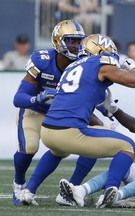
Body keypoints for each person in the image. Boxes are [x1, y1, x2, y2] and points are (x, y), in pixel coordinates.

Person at [20, 34, 135, 208]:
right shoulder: (100, 64)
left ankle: (29, 190)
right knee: (129, 147)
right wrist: (133, 66)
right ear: (101, 51)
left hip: (48, 130)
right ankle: (111, 191)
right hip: (69, 131)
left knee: (60, 150)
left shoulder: (72, 67)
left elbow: (80, 97)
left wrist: (103, 103)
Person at [12, 20, 103, 207]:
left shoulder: (82, 64)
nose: (76, 46)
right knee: (29, 147)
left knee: (61, 149)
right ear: (57, 41)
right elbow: (18, 98)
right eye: (71, 41)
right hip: (34, 111)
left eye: (79, 41)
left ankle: (63, 188)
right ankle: (19, 183)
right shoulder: (42, 59)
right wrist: (38, 99)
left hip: (58, 114)